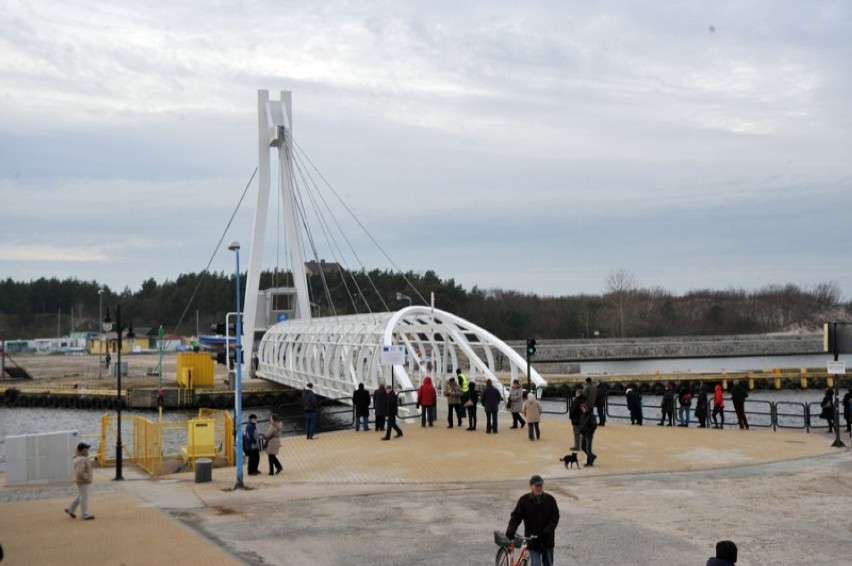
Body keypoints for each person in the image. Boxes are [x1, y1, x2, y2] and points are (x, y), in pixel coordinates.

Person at [505, 474, 560, 566]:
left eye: (540, 486)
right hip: (533, 541)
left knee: (548, 564)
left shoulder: (550, 500)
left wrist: (547, 531)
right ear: (531, 486)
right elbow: (516, 516)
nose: (539, 488)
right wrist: (511, 530)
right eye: (536, 486)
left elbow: (555, 518)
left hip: (547, 540)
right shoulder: (524, 500)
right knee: (536, 564)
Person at [65, 442, 95, 520]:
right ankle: (85, 515)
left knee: (81, 496)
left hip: (81, 480)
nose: (88, 451)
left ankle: (70, 509)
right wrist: (87, 477)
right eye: (86, 449)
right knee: (84, 497)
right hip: (83, 481)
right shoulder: (82, 459)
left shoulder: (80, 458)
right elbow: (80, 472)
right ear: (82, 451)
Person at [578, 402, 597, 466]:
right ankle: (592, 456)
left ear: (587, 408)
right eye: (582, 408)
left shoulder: (591, 416)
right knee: (583, 447)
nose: (582, 410)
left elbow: (594, 425)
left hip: (589, 434)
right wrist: (580, 431)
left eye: (583, 408)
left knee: (588, 448)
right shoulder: (582, 415)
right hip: (584, 433)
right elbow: (581, 424)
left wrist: (589, 432)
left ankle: (589, 462)